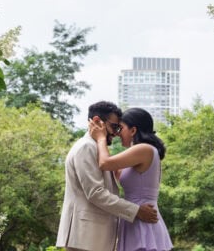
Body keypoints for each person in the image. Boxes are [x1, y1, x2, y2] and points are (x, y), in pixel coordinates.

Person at [56, 101, 158, 251]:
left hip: (93, 237)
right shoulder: (86, 147)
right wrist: (136, 211)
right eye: (114, 127)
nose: (116, 133)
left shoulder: (95, 147)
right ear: (97, 121)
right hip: (86, 237)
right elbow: (95, 193)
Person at [89, 107, 173, 251]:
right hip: (134, 216)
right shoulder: (136, 154)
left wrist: (101, 138)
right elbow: (113, 170)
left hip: (143, 221)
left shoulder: (144, 149)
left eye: (120, 128)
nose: (117, 134)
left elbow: (105, 163)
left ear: (133, 130)